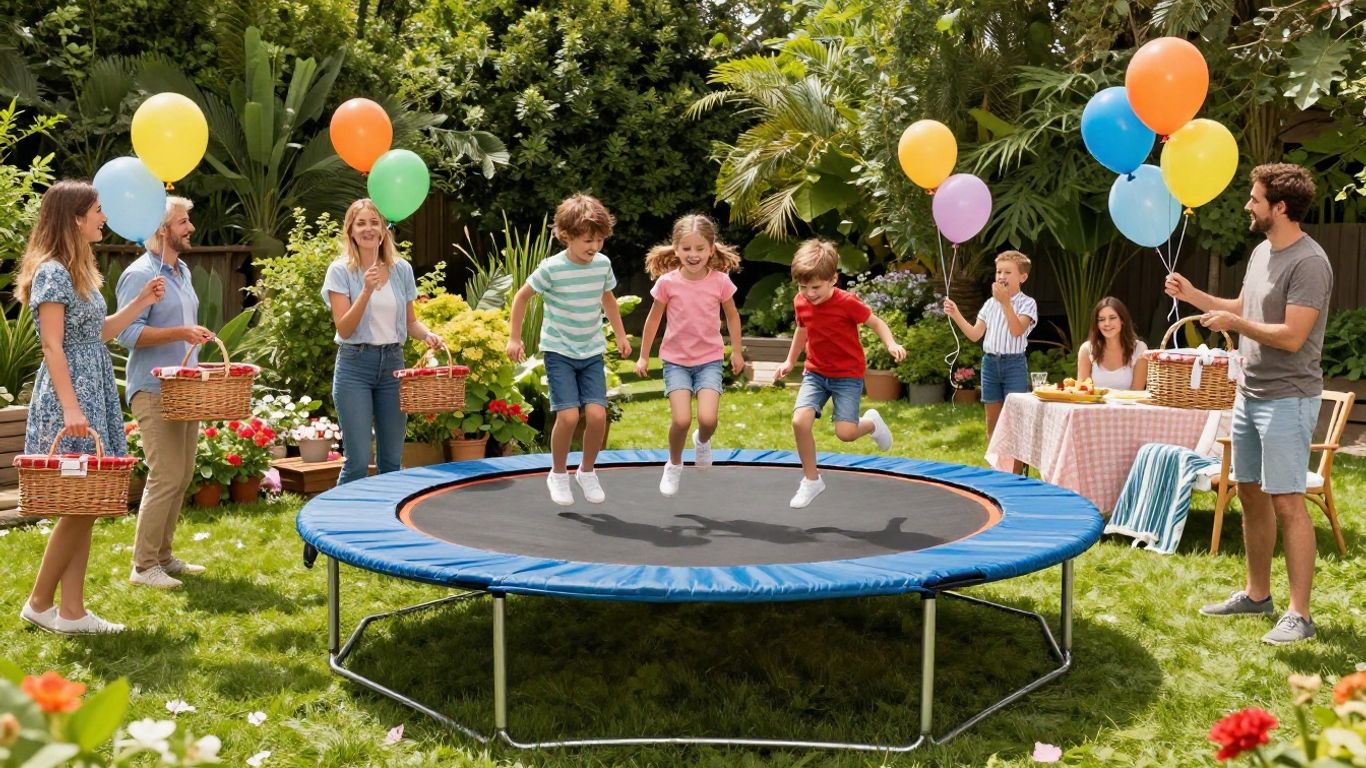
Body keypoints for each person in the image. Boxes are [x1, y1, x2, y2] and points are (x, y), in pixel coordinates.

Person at [1167, 163, 1332, 645]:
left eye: (1255, 199)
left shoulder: (1310, 262)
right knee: (1252, 496)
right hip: (1251, 393)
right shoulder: (1263, 252)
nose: (1247, 205)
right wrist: (1194, 295)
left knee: (1288, 503)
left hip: (1288, 398)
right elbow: (1246, 308)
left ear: (1279, 207)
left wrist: (1235, 327)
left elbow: (1292, 334)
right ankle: (1257, 595)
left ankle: (1300, 615)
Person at [14, 180, 165, 634]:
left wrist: (139, 302)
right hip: (71, 396)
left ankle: (73, 611)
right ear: (76, 218)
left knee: (85, 502)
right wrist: (72, 408)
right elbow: (52, 345)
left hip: (90, 386)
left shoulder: (78, 270)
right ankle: (41, 603)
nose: (104, 217)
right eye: (98, 210)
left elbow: (97, 333)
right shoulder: (53, 272)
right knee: (78, 504)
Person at [507, 193, 631, 506]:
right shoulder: (551, 268)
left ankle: (586, 471)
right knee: (568, 416)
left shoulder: (602, 265)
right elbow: (522, 297)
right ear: (567, 236)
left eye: (600, 240)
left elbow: (608, 300)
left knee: (597, 416)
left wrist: (620, 334)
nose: (595, 247)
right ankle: (558, 473)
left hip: (590, 352)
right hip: (559, 351)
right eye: (588, 240)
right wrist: (515, 337)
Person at [116, 196, 214, 590]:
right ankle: (143, 567)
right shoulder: (140, 274)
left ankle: (163, 557)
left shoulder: (182, 271)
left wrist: (195, 335)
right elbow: (127, 334)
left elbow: (181, 325)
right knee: (166, 473)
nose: (190, 227)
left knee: (183, 474)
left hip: (185, 389)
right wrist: (180, 333)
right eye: (182, 221)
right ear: (161, 229)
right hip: (154, 389)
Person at [774, 239, 905, 509]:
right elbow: (802, 329)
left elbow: (876, 322)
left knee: (845, 433)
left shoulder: (847, 302)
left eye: (816, 287)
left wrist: (891, 343)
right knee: (800, 421)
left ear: (833, 279)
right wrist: (790, 360)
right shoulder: (801, 301)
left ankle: (870, 423)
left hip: (847, 375)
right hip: (815, 372)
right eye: (803, 287)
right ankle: (811, 480)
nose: (809, 293)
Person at [323, 199, 443, 486]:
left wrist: (428, 335)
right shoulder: (340, 271)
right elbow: (345, 328)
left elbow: (410, 322)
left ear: (384, 230)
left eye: (374, 222)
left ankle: (384, 526)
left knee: (391, 460)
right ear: (350, 231)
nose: (368, 229)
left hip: (393, 366)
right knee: (357, 460)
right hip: (355, 366)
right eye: (361, 223)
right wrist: (366, 290)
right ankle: (342, 523)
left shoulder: (401, 270)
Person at [634, 214, 745, 496]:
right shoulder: (667, 283)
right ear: (675, 248)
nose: (693, 255)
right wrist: (644, 356)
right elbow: (652, 321)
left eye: (699, 249)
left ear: (711, 249)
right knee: (681, 420)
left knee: (708, 420)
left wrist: (736, 351)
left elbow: (732, 316)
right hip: (676, 361)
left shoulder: (720, 282)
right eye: (686, 249)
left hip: (709, 359)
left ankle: (702, 442)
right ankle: (673, 464)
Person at [943, 250, 1037, 441]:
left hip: (1014, 365)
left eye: (1008, 272)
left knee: (1015, 422)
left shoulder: (1028, 303)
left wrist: (1006, 303)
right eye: (998, 272)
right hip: (990, 365)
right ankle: (994, 468)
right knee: (992, 423)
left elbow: (1017, 330)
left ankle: (1015, 471)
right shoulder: (989, 304)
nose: (1001, 276)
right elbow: (975, 334)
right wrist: (956, 314)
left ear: (1023, 277)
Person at [1076, 297, 1149, 391]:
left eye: (1112, 318)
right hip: (1094, 405)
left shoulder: (1139, 349)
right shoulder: (1087, 349)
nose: (1107, 323)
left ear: (1122, 320)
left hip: (1129, 405)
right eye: (1101, 319)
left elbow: (1137, 393)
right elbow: (1083, 392)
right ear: (1097, 324)